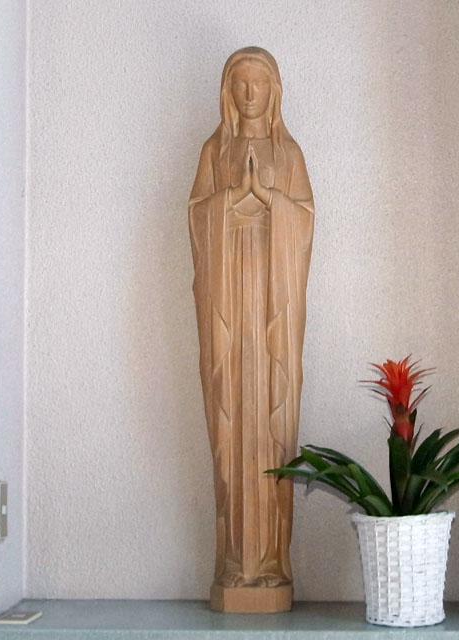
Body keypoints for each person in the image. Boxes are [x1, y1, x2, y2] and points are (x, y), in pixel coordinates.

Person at [188, 47, 314, 594]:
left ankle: (271, 564)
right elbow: (196, 216)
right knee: (231, 419)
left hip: (272, 305)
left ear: (274, 90)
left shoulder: (290, 154)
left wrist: (270, 201)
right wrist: (230, 200)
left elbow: (305, 221)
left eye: (258, 83)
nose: (249, 93)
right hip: (228, 306)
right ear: (227, 92)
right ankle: (234, 561)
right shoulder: (214, 151)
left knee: (271, 419)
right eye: (239, 83)